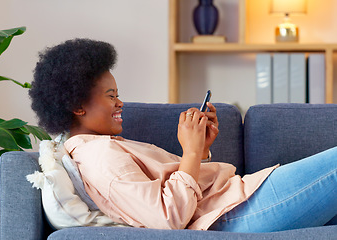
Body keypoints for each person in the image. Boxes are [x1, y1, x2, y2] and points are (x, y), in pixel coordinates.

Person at [29, 38, 337, 232]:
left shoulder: (101, 147)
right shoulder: (98, 157)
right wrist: (189, 153)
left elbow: (173, 192)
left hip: (235, 202)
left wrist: (199, 151)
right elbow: (167, 218)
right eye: (111, 95)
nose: (119, 102)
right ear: (77, 105)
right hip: (234, 213)